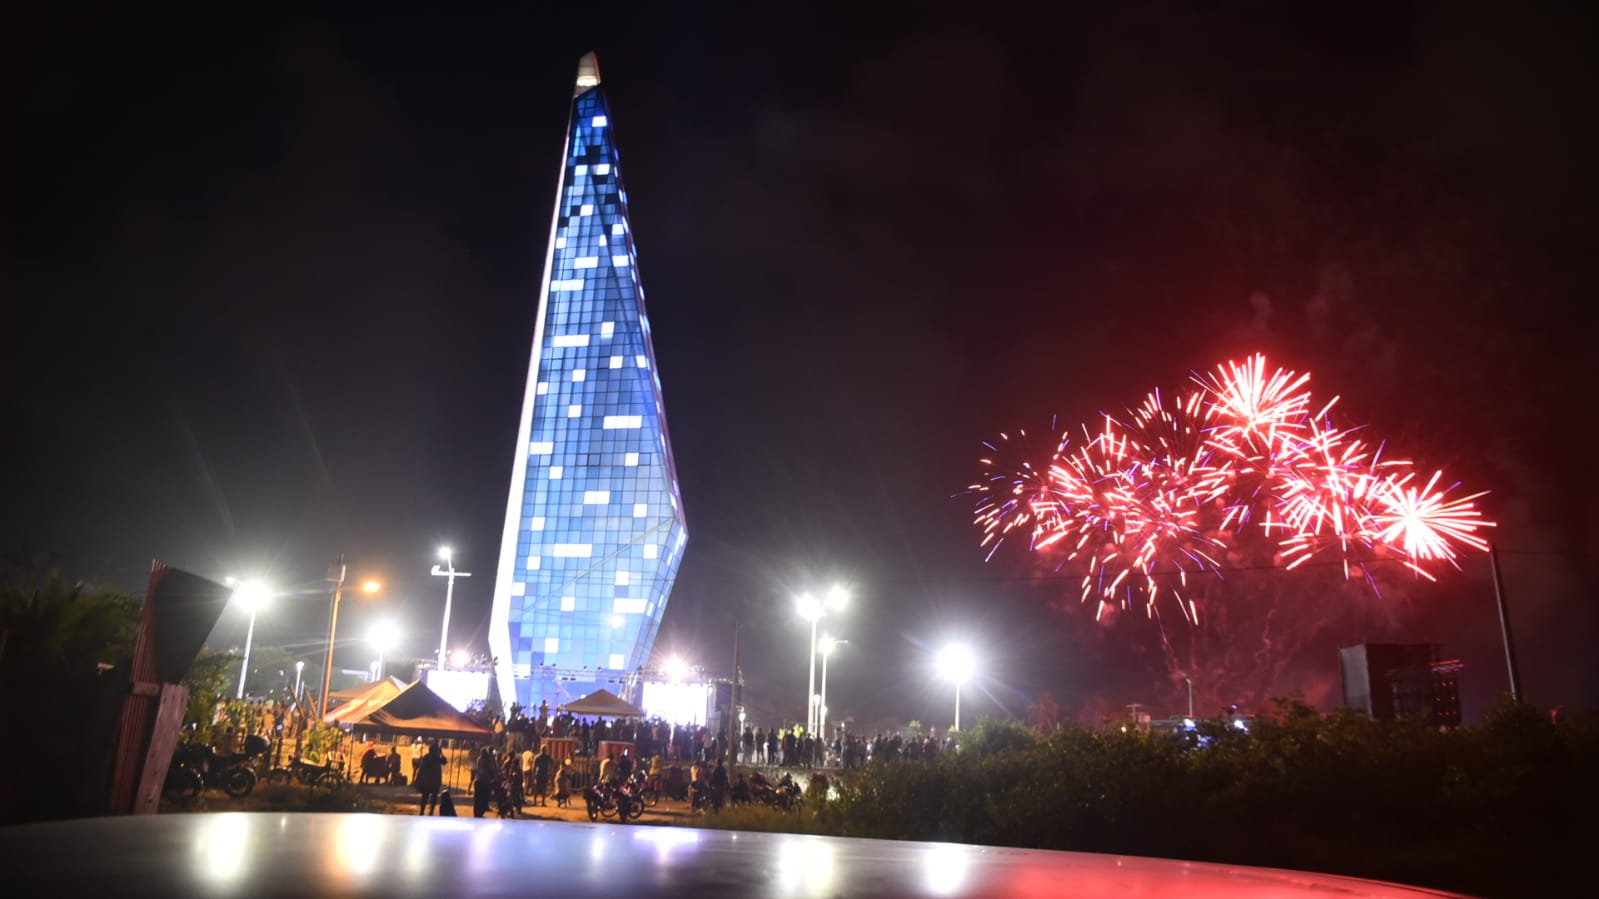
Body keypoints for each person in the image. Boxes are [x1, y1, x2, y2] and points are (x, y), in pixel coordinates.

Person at [414, 742, 444, 815]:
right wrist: (441, 753)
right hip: (435, 781)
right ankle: (430, 812)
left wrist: (418, 779)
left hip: (427, 781)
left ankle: (422, 812)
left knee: (425, 797)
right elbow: (444, 761)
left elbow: (422, 768)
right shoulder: (437, 758)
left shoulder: (426, 757)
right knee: (433, 799)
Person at [473, 747, 498, 818]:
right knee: (482, 797)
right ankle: (479, 812)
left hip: (480, 781)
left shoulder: (480, 759)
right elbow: (490, 769)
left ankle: (478, 812)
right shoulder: (484, 760)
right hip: (482, 781)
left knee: (479, 798)